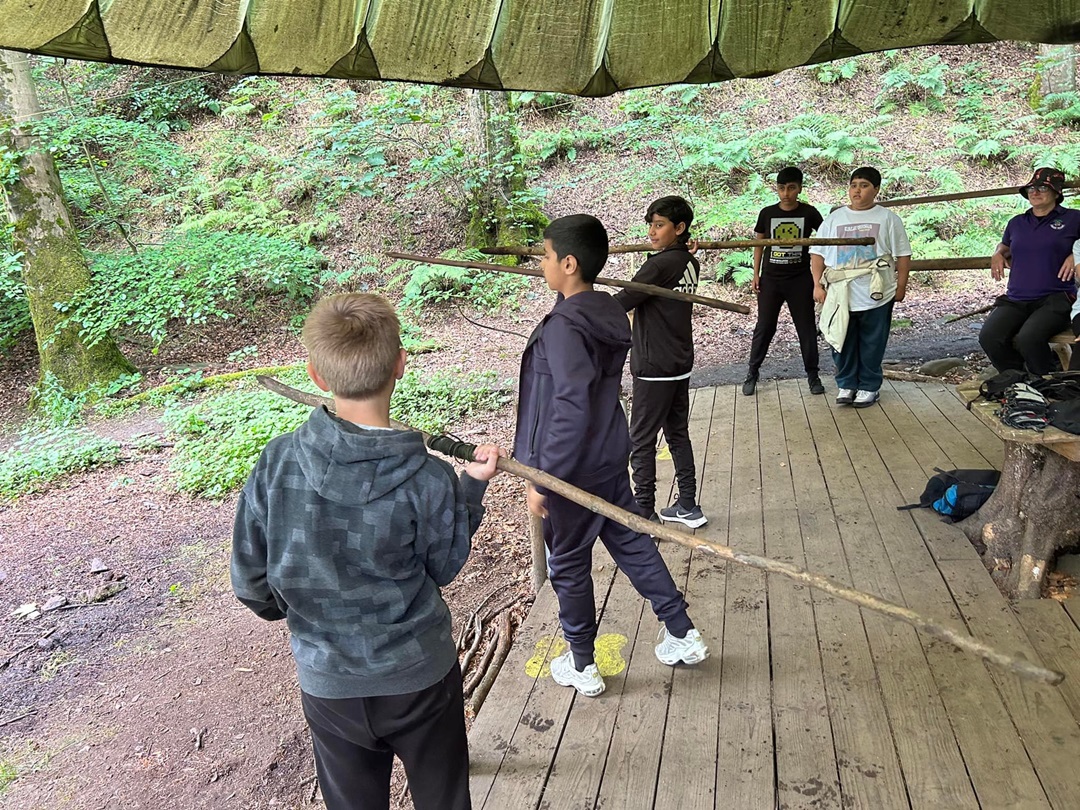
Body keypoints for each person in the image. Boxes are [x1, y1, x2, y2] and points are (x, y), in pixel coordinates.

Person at [231, 293, 503, 810]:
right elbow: (444, 565)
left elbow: (251, 581)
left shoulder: (278, 463)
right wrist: (470, 488)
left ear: (316, 374)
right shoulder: (429, 476)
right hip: (419, 675)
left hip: (329, 683)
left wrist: (304, 615)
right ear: (400, 363)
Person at [514, 214, 708, 698]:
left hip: (571, 469)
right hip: (607, 456)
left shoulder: (564, 328)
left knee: (568, 562)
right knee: (631, 541)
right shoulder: (602, 311)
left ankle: (582, 662)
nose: (541, 263)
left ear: (569, 263)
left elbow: (570, 403)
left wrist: (544, 476)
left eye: (546, 255)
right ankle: (681, 632)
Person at [614, 195, 707, 528]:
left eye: (660, 225)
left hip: (654, 365)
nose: (652, 232)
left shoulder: (659, 265)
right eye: (651, 225)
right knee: (677, 434)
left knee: (641, 439)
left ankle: (644, 512)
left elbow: (622, 301)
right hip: (679, 362)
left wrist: (583, 302)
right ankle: (688, 505)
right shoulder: (688, 261)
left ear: (679, 228)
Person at [810, 167, 912, 408]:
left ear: (876, 190)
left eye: (864, 185)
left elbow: (903, 255)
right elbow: (817, 253)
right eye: (853, 185)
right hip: (839, 290)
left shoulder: (888, 219)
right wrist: (817, 285)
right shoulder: (835, 218)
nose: (857, 190)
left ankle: (868, 386)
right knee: (840, 338)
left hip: (876, 290)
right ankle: (846, 384)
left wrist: (901, 285)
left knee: (872, 341)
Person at [979, 167, 1080, 375]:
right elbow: (1005, 245)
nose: (1035, 192)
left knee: (1029, 338)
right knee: (989, 337)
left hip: (1056, 296)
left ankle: (1046, 380)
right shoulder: (1017, 222)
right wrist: (998, 252)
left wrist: (1075, 255)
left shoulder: (1073, 218)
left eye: (1043, 188)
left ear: (1057, 192)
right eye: (1031, 188)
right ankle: (1017, 378)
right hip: (1017, 297)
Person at [743, 166, 825, 397]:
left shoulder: (809, 213)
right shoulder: (767, 213)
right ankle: (752, 373)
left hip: (800, 279)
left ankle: (813, 375)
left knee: (806, 327)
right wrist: (756, 273)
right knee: (765, 326)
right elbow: (758, 244)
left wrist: (819, 278)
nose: (786, 193)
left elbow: (825, 239)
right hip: (771, 279)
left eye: (791, 188)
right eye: (781, 188)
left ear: (799, 189)